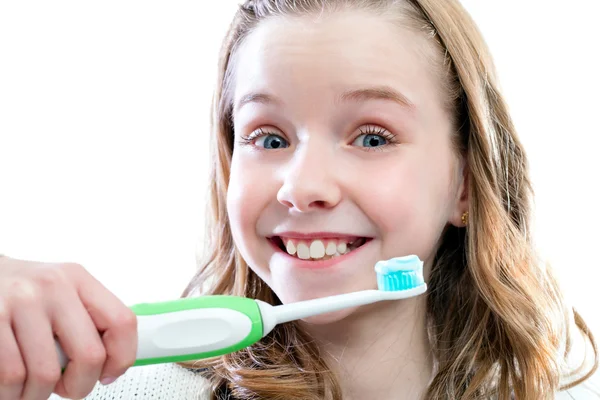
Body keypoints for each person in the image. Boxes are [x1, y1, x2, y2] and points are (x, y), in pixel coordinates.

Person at [1, 0, 598, 399]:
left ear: (464, 185)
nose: (302, 187)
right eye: (269, 137)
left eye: (371, 137)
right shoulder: (134, 389)